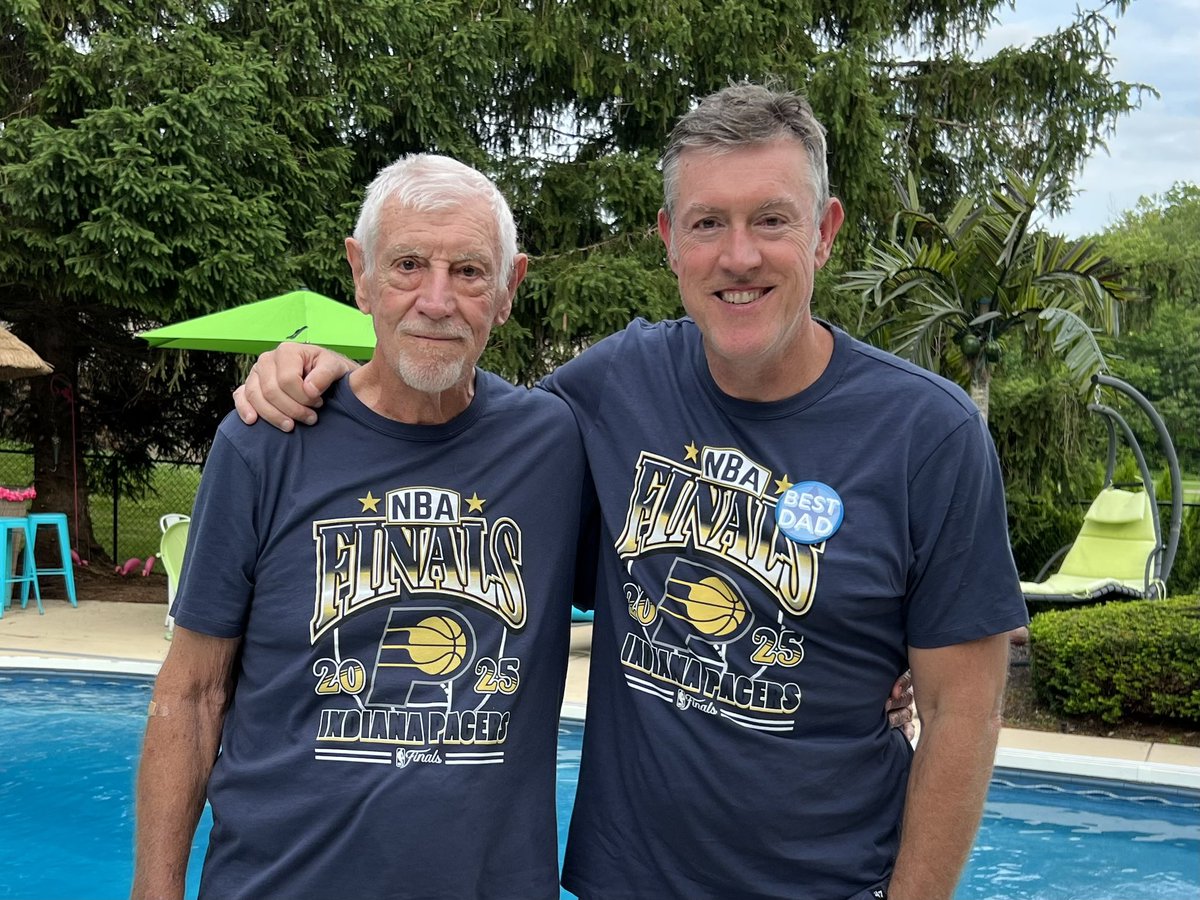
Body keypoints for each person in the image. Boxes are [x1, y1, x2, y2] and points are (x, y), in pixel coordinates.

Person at [235, 83, 1027, 899]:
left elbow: (963, 716)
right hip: (627, 881)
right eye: (708, 222)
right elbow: (455, 426)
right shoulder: (614, 384)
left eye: (772, 220)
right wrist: (326, 377)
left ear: (823, 232)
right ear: (670, 241)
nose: (739, 255)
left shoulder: (927, 436)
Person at [131, 154, 592, 900]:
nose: (436, 300)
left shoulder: (555, 445)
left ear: (510, 289)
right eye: (408, 265)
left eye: (470, 272)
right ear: (361, 274)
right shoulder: (264, 440)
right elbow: (191, 693)